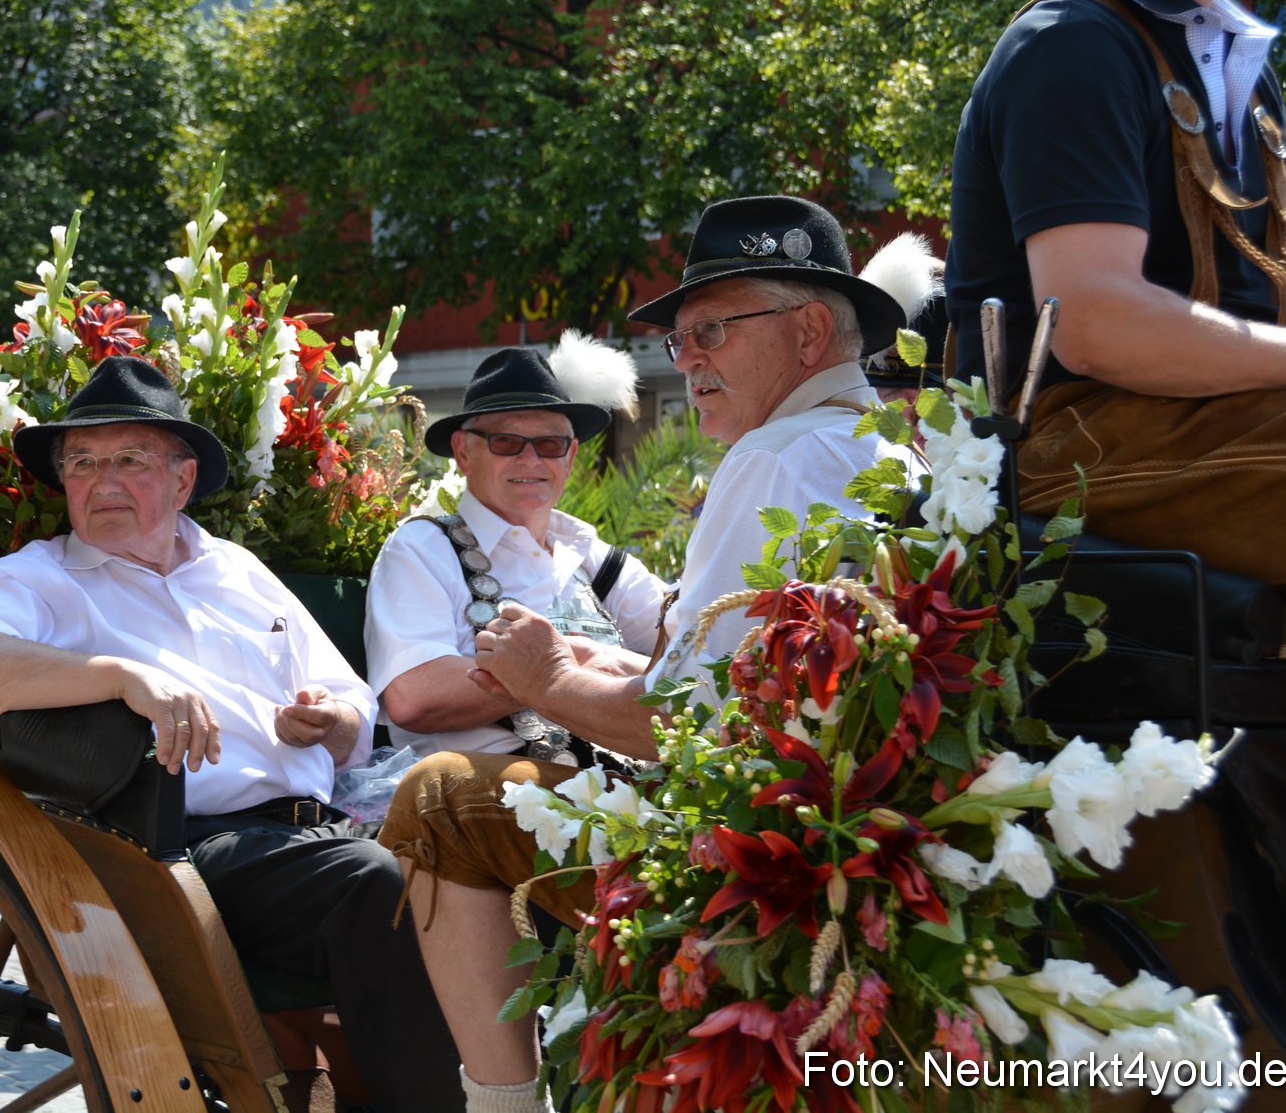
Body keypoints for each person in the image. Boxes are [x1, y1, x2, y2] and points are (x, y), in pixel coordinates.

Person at [377, 195, 938, 1112]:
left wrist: (550, 677)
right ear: (466, 450)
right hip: (853, 831)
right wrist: (567, 670)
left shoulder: (773, 460)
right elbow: (701, 672)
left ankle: (504, 1105)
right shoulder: (884, 449)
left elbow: (681, 721)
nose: (690, 361)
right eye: (682, 340)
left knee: (435, 797)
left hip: (747, 854)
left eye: (712, 329)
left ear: (806, 331)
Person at [0, 355, 461, 1112]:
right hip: (181, 851)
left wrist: (331, 719)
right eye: (81, 462)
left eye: (128, 460)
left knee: (474, 870)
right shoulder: (42, 578)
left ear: (181, 479)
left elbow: (350, 702)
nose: (101, 481)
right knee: (382, 884)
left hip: (319, 833)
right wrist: (119, 675)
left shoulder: (237, 570)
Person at [945, 0, 1286, 592]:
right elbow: (1098, 326)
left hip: (1218, 417)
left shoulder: (1230, 54)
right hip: (1068, 440)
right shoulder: (1071, 42)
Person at [365, 335, 667, 763]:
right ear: (463, 452)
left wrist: (568, 665)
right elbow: (417, 695)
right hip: (495, 802)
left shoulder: (600, 561)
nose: (531, 460)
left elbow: (695, 659)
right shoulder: (423, 547)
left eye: (550, 444)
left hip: (632, 799)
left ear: (571, 455)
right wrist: (582, 663)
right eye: (505, 442)